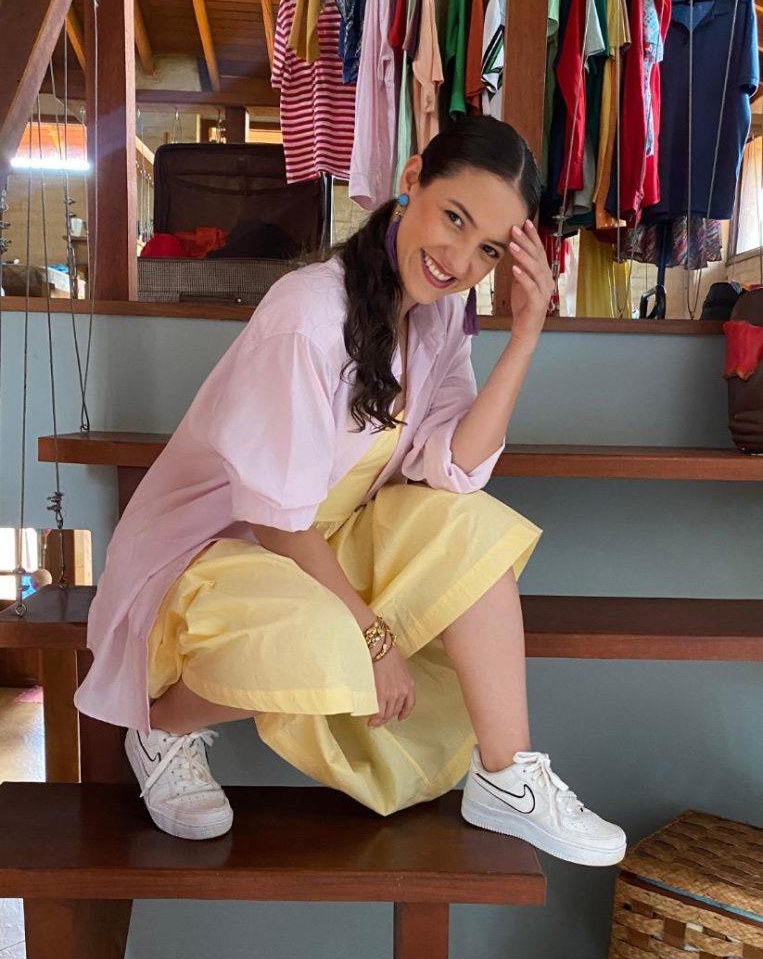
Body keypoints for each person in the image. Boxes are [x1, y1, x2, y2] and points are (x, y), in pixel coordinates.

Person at [74, 116, 626, 867]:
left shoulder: (438, 319)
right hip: (213, 557)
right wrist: (373, 637)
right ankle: (161, 725)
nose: (460, 260)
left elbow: (452, 467)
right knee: (332, 638)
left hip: (319, 544)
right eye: (454, 218)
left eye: (489, 250)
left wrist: (526, 333)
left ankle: (507, 777)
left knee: (473, 526)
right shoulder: (307, 313)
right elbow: (275, 522)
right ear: (410, 181)